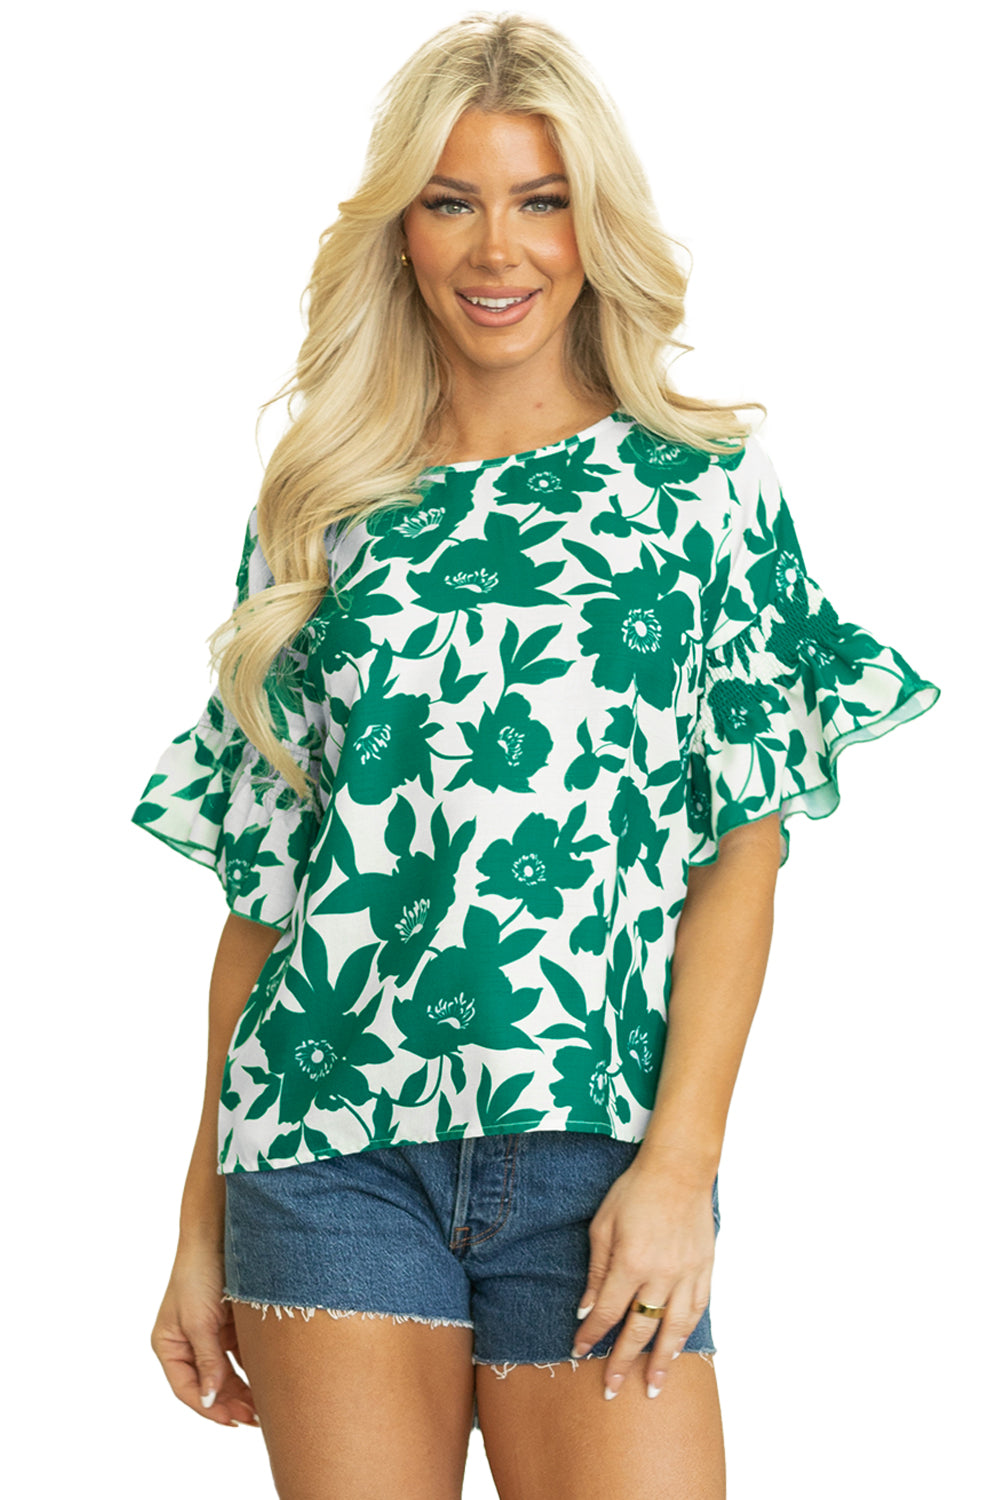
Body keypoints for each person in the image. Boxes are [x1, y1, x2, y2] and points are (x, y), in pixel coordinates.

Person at [130, 12, 940, 1498]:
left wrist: (679, 1170)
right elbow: (265, 897)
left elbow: (742, 858)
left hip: (596, 1157)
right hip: (324, 1151)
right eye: (451, 202)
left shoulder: (702, 492)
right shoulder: (324, 502)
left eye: (540, 199)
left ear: (593, 224)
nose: (496, 249)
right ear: (401, 229)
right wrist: (196, 1225)